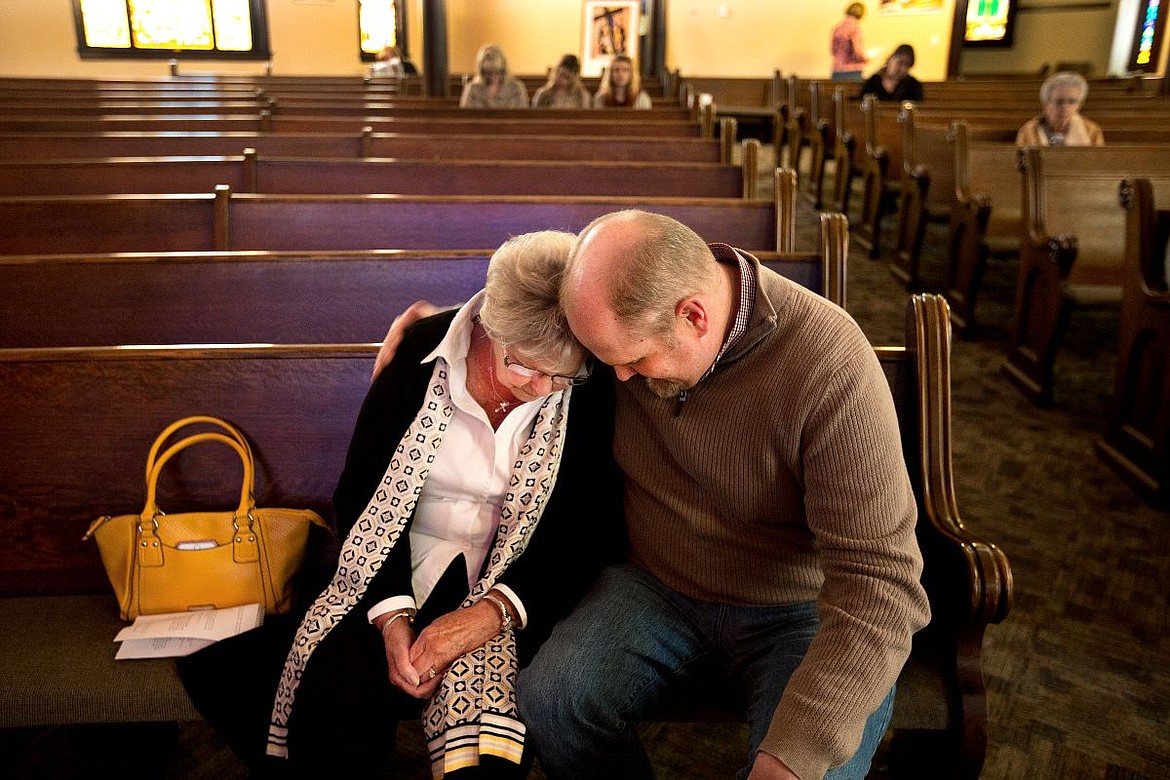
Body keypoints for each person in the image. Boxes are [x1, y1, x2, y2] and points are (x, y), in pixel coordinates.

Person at [374, 211, 931, 780]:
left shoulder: (827, 364)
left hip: (793, 606)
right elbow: (540, 302)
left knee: (807, 771)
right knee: (553, 700)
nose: (617, 379)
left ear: (694, 316)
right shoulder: (633, 307)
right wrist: (439, 328)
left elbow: (881, 584)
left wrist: (794, 757)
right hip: (656, 585)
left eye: (635, 361)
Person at [177, 231, 622, 778]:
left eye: (561, 375)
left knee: (489, 745)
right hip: (392, 562)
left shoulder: (591, 381)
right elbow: (361, 487)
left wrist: (490, 613)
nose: (542, 387)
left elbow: (587, 523)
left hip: (520, 576)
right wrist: (392, 618)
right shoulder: (421, 351)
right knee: (339, 704)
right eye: (525, 367)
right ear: (487, 326)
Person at [1016, 71, 1104, 147]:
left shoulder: (1092, 131)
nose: (1065, 107)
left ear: (1079, 105)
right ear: (1045, 105)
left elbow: (1098, 164)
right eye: (1059, 101)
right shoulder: (1029, 130)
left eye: (1072, 101)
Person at [460, 43, 528, 109]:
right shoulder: (472, 89)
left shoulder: (516, 89)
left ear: (503, 69)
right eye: (488, 72)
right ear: (481, 71)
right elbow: (465, 116)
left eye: (497, 72)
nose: (493, 77)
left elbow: (523, 116)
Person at [859, 43, 923, 102]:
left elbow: (919, 109)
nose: (903, 69)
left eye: (907, 65)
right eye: (900, 62)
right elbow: (860, 103)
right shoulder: (874, 81)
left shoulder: (913, 85)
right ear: (891, 59)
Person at [830, 3, 868, 81]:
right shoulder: (855, 29)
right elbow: (857, 52)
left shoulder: (837, 28)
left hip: (837, 71)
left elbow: (833, 50)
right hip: (852, 71)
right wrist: (866, 59)